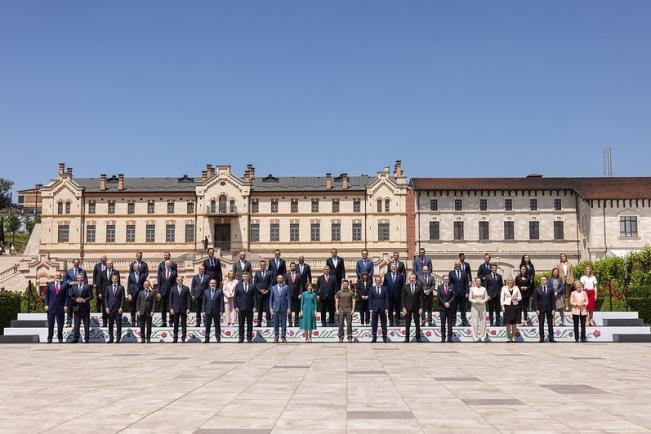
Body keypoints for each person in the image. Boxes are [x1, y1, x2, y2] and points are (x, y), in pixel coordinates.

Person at [44, 271, 68, 343]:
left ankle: (60, 338)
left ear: (61, 277)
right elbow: (46, 296)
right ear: (55, 276)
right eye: (57, 275)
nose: (58, 276)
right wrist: (46, 305)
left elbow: (67, 296)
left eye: (60, 275)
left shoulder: (65, 284)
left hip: (61, 307)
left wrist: (66, 305)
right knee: (51, 324)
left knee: (60, 324)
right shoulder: (49, 285)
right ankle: (49, 338)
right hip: (51, 307)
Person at [69, 273, 93, 343]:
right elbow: (70, 296)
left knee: (86, 324)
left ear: (83, 279)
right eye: (78, 278)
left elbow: (91, 296)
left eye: (81, 278)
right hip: (76, 307)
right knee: (76, 324)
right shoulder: (73, 286)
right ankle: (76, 338)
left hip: (85, 308)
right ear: (76, 279)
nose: (79, 279)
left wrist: (84, 300)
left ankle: (86, 338)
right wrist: (76, 300)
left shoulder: (87, 286)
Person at [64, 258, 88, 327]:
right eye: (75, 262)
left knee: (79, 307)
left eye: (78, 262)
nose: (77, 263)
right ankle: (69, 322)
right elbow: (64, 281)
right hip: (71, 292)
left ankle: (79, 322)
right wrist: (70, 283)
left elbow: (86, 281)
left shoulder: (83, 271)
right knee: (70, 307)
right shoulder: (68, 271)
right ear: (73, 263)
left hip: (80, 292)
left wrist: (81, 283)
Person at [402, 273, 424, 343]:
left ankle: (418, 338)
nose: (412, 279)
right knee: (407, 324)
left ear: (415, 279)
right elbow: (402, 298)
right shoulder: (405, 287)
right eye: (411, 278)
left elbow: (421, 298)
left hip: (416, 308)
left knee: (417, 324)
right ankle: (407, 338)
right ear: (409, 279)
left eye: (413, 278)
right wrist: (403, 308)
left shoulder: (419, 287)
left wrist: (421, 308)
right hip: (408, 308)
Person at [235, 272, 256, 343]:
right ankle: (241, 338)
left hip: (250, 307)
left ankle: (249, 338)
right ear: (242, 277)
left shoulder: (252, 286)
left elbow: (255, 297)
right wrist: (236, 306)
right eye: (244, 276)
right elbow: (235, 297)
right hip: (241, 307)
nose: (246, 278)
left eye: (247, 276)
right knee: (241, 324)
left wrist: (255, 306)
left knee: (250, 324)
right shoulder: (238, 285)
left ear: (249, 277)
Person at [169, 276, 191, 343]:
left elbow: (188, 299)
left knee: (184, 324)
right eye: (178, 280)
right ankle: (175, 338)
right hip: (175, 309)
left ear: (182, 281)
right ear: (176, 281)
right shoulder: (173, 289)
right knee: (175, 324)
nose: (179, 281)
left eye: (181, 280)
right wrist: (171, 308)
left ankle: (183, 338)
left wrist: (188, 308)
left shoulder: (186, 288)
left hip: (184, 309)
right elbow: (170, 299)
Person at [104, 273, 125, 344]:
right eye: (113, 279)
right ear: (111, 279)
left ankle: (118, 339)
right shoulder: (108, 287)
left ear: (118, 279)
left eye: (116, 279)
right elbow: (106, 298)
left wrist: (121, 307)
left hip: (118, 309)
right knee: (110, 325)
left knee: (118, 324)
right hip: (110, 309)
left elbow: (122, 298)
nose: (114, 280)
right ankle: (111, 338)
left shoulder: (121, 287)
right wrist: (106, 307)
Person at [270, 274, 290, 343]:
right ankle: (276, 337)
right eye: (279, 278)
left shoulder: (286, 287)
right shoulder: (273, 287)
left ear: (283, 279)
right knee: (276, 323)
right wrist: (270, 308)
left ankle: (283, 337)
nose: (280, 279)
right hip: (275, 307)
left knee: (284, 323)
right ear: (277, 279)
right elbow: (271, 299)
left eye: (281, 278)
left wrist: (289, 308)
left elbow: (289, 298)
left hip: (284, 307)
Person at [448, 260, 470, 326]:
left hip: (462, 294)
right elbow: (449, 283)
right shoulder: (451, 273)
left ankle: (464, 321)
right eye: (457, 265)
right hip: (454, 294)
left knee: (463, 309)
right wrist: (451, 291)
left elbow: (466, 283)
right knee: (453, 309)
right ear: (454, 265)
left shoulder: (464, 273)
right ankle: (453, 321)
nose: (458, 266)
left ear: (460, 265)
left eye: (459, 265)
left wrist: (467, 292)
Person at [501, 277, 522, 342]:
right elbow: (501, 298)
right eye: (509, 280)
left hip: (515, 306)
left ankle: (513, 337)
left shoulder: (516, 288)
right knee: (508, 323)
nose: (510, 281)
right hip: (507, 306)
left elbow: (520, 297)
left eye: (511, 280)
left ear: (513, 281)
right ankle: (508, 337)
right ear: (507, 281)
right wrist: (502, 306)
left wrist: (516, 298)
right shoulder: (504, 288)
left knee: (514, 323)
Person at [203, 278, 224, 343]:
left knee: (217, 325)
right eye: (211, 283)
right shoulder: (206, 291)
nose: (212, 284)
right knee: (207, 325)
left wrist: (221, 310)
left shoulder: (219, 291)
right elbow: (204, 302)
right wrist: (203, 311)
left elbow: (221, 302)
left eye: (214, 283)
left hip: (216, 311)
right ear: (209, 284)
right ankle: (207, 338)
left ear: (216, 284)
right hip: (208, 311)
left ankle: (218, 338)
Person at [535, 276, 556, 343]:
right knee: (541, 324)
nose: (543, 281)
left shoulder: (551, 289)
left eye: (544, 280)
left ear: (546, 281)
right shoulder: (537, 289)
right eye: (541, 280)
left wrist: (553, 309)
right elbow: (535, 300)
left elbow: (553, 300)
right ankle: (541, 338)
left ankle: (551, 338)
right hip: (541, 309)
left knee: (550, 324)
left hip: (549, 309)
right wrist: (536, 309)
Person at [156, 259, 177, 327]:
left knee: (171, 307)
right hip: (163, 292)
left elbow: (175, 283)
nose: (168, 265)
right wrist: (158, 292)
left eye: (169, 264)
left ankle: (171, 322)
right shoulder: (161, 272)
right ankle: (164, 322)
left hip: (171, 293)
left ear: (171, 265)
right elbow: (159, 283)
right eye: (167, 264)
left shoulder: (174, 272)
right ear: (165, 265)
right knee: (163, 308)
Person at [469, 276, 489, 343]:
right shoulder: (471, 289)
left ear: (480, 282)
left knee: (483, 322)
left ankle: (482, 337)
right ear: (475, 282)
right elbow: (470, 298)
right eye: (477, 281)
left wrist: (482, 301)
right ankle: (475, 338)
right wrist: (475, 301)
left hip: (482, 306)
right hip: (474, 306)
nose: (478, 282)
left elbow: (486, 298)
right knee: (474, 322)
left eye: (479, 281)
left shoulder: (484, 289)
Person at [369, 275, 389, 343]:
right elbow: (370, 299)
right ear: (375, 281)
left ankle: (384, 337)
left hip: (383, 308)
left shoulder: (385, 288)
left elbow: (386, 299)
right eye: (377, 280)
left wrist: (386, 308)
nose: (378, 281)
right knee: (374, 324)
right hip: (374, 308)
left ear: (381, 281)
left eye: (379, 280)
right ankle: (374, 338)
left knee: (384, 323)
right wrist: (370, 308)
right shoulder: (372, 289)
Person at [94, 257, 113, 327]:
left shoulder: (115, 272)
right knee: (105, 308)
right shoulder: (102, 273)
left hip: (113, 293)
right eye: (108, 264)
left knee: (112, 308)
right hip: (104, 293)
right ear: (106, 264)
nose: (109, 265)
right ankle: (105, 322)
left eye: (111, 264)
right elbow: (99, 283)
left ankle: (111, 322)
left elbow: (118, 283)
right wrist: (99, 292)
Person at [383, 262, 404, 326]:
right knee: (390, 309)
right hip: (389, 296)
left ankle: (397, 321)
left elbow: (402, 286)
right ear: (390, 268)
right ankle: (391, 321)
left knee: (398, 309)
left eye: (394, 267)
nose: (393, 268)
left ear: (397, 268)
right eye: (392, 267)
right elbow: (384, 286)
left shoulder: (400, 275)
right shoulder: (386, 275)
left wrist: (402, 294)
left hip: (398, 295)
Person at [253, 260, 273, 327]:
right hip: (259, 293)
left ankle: (268, 322)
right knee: (260, 309)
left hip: (267, 293)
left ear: (266, 265)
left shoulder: (270, 273)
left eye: (263, 265)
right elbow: (255, 284)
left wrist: (268, 290)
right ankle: (259, 323)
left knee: (267, 308)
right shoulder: (257, 273)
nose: (262, 266)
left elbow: (271, 283)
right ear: (260, 266)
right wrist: (260, 290)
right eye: (261, 265)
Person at [437, 275, 456, 343]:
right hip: (442, 308)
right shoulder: (440, 287)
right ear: (442, 280)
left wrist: (449, 303)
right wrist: (444, 303)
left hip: (450, 308)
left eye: (447, 279)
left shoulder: (452, 287)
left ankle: (450, 338)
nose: (446, 280)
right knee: (443, 323)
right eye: (445, 279)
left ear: (448, 280)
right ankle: (443, 338)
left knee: (450, 323)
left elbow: (453, 296)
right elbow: (439, 296)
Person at [286, 262, 301, 327]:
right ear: (290, 267)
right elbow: (285, 285)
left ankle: (296, 323)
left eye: (294, 266)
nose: (293, 267)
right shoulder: (286, 275)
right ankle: (290, 323)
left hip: (297, 295)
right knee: (289, 309)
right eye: (291, 266)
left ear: (295, 267)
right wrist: (285, 294)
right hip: (289, 295)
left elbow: (301, 285)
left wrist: (300, 293)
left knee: (297, 310)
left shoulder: (299, 275)